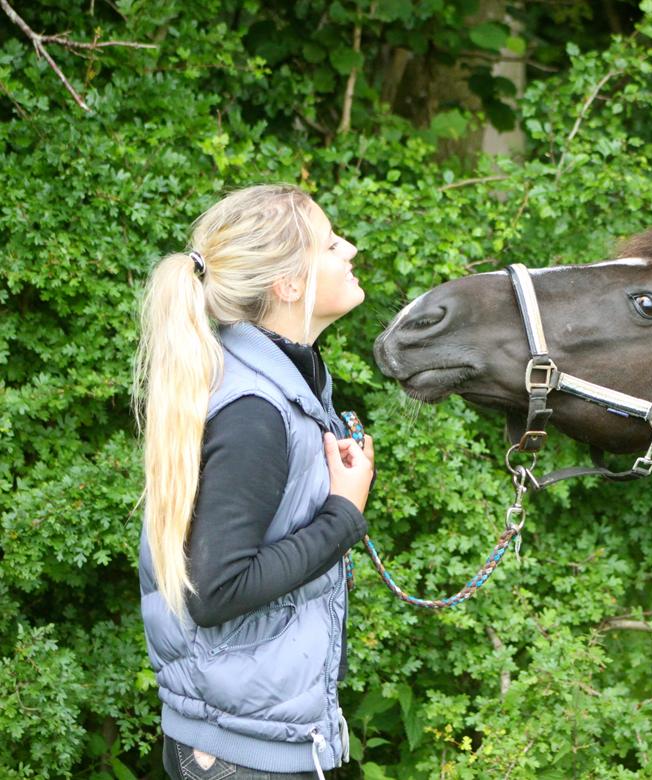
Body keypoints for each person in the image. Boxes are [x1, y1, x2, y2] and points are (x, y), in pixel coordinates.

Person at [133, 184, 375, 779]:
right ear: (289, 285)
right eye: (330, 242)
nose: (351, 249)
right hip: (240, 758)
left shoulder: (278, 386)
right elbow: (215, 591)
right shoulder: (254, 409)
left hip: (248, 734)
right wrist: (343, 513)